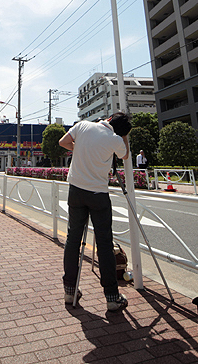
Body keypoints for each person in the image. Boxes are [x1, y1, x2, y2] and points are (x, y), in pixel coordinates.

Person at [59, 112, 131, 311]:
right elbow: (124, 154)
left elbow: (63, 141)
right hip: (98, 194)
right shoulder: (115, 139)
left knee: (73, 239)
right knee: (104, 243)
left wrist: (81, 150)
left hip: (75, 190)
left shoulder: (82, 126)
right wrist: (123, 135)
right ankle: (112, 297)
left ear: (108, 119)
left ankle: (69, 291)